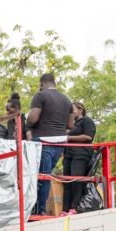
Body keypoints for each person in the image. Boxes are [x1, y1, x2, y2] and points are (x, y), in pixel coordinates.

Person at [27, 73, 74, 214]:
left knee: (41, 177)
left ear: (41, 83)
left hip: (43, 141)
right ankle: (39, 209)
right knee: (46, 175)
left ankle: (39, 210)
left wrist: (27, 121)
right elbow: (70, 125)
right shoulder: (66, 100)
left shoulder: (40, 96)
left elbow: (32, 119)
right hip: (60, 142)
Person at [63, 101, 97, 213]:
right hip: (68, 154)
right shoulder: (71, 124)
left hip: (81, 154)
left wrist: (68, 137)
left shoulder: (87, 121)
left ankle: (75, 207)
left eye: (72, 110)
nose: (70, 112)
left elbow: (88, 137)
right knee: (66, 181)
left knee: (76, 180)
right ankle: (65, 209)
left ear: (80, 110)